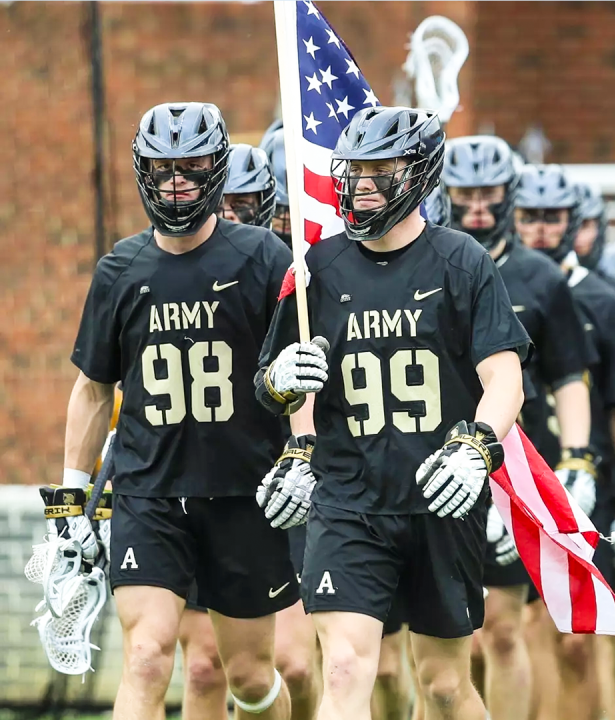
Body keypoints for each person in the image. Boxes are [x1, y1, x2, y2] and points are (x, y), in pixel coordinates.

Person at [254, 106, 530, 720]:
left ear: (421, 176)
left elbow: (504, 376)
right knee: (347, 666)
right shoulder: (317, 269)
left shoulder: (462, 262)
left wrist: (477, 447)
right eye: (356, 172)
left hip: (439, 495)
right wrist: (281, 388)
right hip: (347, 500)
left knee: (442, 685)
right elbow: (274, 386)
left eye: (383, 172)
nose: (363, 186)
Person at [66, 101, 296, 720]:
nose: (175, 182)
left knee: (245, 675)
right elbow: (92, 388)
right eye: (162, 168)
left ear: (216, 170)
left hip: (245, 493)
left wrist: (305, 454)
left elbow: (308, 376)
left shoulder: (264, 258)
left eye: (190, 167)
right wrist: (70, 498)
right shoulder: (121, 267)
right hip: (150, 493)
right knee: (146, 656)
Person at [439, 134, 592, 720]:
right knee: (441, 630)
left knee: (505, 628)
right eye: (465, 195)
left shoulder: (540, 278)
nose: (477, 208)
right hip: (435, 460)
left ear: (508, 198)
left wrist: (577, 460)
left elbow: (567, 378)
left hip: (511, 467)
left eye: (488, 194)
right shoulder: (429, 260)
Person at [175, 137, 321, 720]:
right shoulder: (175, 266)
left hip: (284, 482)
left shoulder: (291, 271)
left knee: (295, 665)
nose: (227, 214)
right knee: (206, 666)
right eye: (222, 200)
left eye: (243, 202)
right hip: (202, 479)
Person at [511, 163, 615, 720]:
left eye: (553, 217)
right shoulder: (487, 284)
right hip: (511, 476)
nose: (541, 229)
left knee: (574, 634)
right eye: (531, 217)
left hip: (587, 486)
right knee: (503, 629)